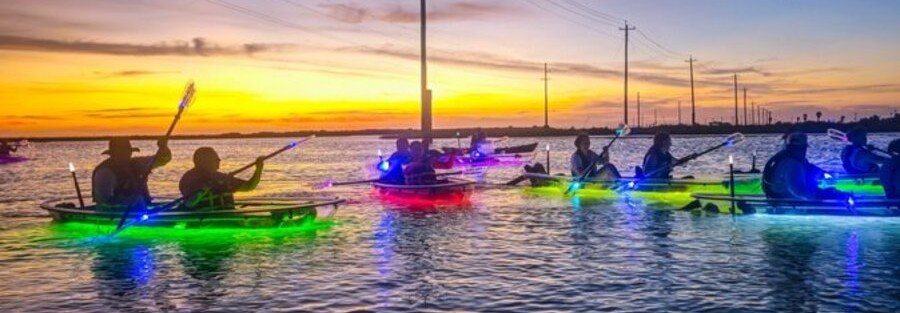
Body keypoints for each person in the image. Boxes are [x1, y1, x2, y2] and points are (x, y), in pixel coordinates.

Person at [762, 132, 847, 200]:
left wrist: (824, 174)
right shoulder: (792, 164)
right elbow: (800, 192)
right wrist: (828, 194)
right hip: (785, 200)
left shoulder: (786, 158)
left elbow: (809, 167)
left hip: (776, 195)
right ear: (802, 148)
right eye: (804, 148)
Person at [92, 138, 171, 208]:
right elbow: (104, 201)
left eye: (127, 152)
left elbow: (162, 160)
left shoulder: (137, 164)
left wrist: (163, 147)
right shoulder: (105, 172)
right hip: (115, 212)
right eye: (121, 153)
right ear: (113, 154)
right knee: (138, 200)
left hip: (141, 208)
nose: (125, 155)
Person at [179, 147, 264, 209]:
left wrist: (259, 168)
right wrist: (207, 186)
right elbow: (189, 203)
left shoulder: (222, 177)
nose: (219, 160)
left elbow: (250, 185)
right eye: (215, 158)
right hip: (203, 220)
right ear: (203, 161)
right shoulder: (189, 179)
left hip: (228, 219)